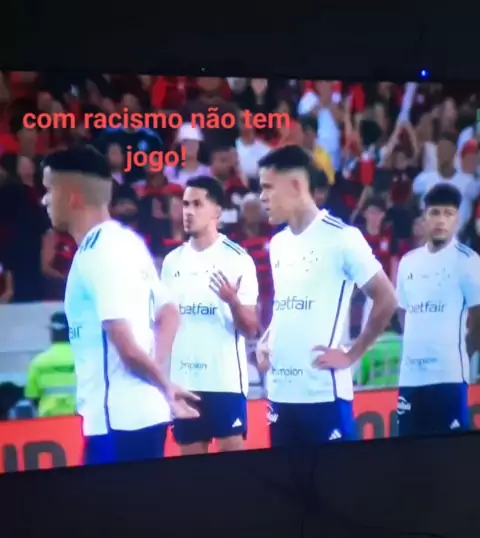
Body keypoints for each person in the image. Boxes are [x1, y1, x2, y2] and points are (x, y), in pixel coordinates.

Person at [41, 146, 199, 466]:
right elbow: (169, 312)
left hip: (116, 423)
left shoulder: (99, 253)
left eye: (49, 190)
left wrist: (164, 383)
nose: (44, 200)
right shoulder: (128, 241)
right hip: (144, 414)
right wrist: (158, 373)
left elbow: (125, 345)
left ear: (72, 196)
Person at [256, 145, 397, 446]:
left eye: (268, 187)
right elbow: (285, 304)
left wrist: (351, 354)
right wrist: (267, 338)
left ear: (296, 186)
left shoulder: (342, 237)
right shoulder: (279, 243)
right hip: (280, 394)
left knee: (337, 477)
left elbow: (387, 298)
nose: (262, 197)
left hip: (324, 394)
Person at [161, 175, 259, 455]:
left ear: (217, 211)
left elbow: (251, 328)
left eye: (197, 204)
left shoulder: (237, 259)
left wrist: (233, 302)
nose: (188, 211)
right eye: (185, 204)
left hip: (224, 382)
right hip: (185, 384)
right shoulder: (171, 263)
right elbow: (165, 324)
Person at [396, 183, 480, 437]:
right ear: (424, 218)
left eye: (448, 213)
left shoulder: (468, 261)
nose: (441, 220)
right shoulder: (408, 262)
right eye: (435, 213)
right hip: (410, 378)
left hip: (448, 377)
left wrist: (460, 355)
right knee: (407, 452)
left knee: (451, 452)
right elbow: (403, 311)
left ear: (457, 220)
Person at [24, 312, 77, 417]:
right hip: (79, 417)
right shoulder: (83, 360)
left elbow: (32, 396)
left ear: (52, 333)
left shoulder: (38, 362)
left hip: (49, 418)